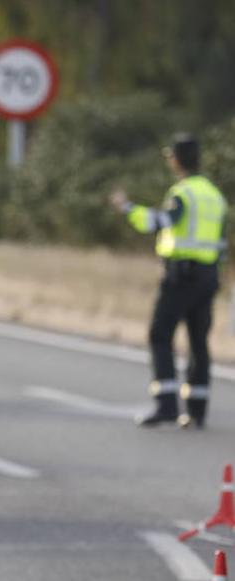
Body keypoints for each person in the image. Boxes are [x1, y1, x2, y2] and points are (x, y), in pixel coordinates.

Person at [111, 134, 228, 428]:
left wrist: (127, 208)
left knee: (160, 335)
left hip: (182, 276)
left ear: (176, 160)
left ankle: (166, 405)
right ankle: (197, 410)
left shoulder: (184, 194)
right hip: (209, 275)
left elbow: (157, 222)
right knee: (198, 342)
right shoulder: (214, 194)